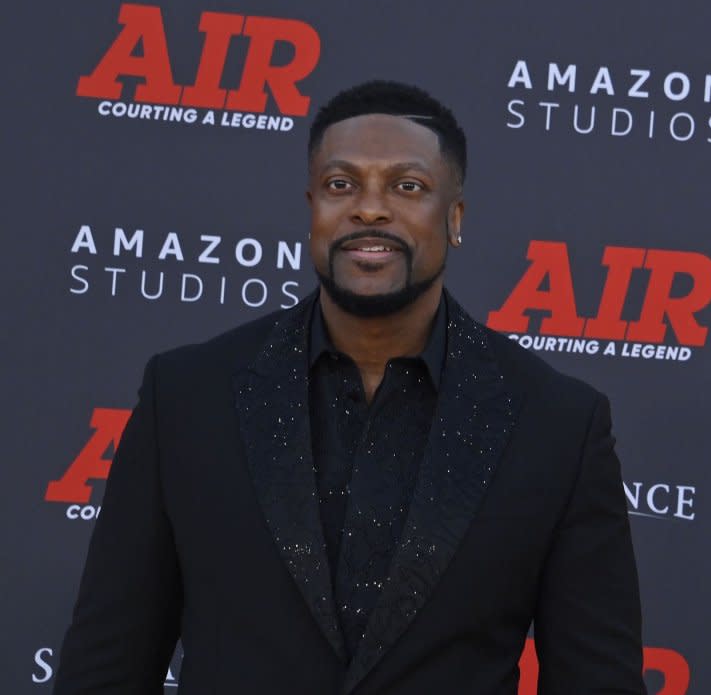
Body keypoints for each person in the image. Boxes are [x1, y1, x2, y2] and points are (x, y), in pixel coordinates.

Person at [54, 80, 646, 694]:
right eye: (342, 185)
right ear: (312, 207)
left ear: (456, 217)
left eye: (406, 187)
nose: (369, 208)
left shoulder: (555, 424)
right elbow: (105, 669)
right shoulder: (186, 399)